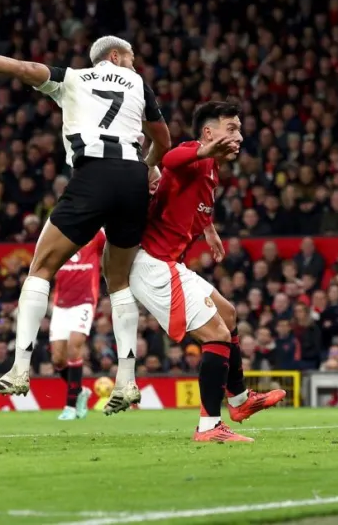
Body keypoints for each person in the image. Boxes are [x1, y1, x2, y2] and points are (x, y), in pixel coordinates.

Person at [0, 37, 171, 414]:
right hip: (131, 179)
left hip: (93, 175)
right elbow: (163, 139)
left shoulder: (72, 78)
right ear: (116, 56)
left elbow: (22, 67)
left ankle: (20, 369)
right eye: (132, 59)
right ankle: (127, 382)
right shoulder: (139, 84)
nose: (134, 66)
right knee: (120, 283)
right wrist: (148, 168)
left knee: (40, 268)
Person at [129, 101, 284, 443]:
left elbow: (194, 204)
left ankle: (240, 401)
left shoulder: (211, 169)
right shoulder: (193, 154)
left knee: (228, 315)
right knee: (215, 335)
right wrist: (203, 149)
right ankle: (209, 427)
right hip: (152, 263)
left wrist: (209, 229)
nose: (239, 136)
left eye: (240, 129)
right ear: (209, 133)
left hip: (170, 262)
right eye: (232, 129)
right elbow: (167, 159)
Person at [49, 229, 106, 421]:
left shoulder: (97, 233)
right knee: (58, 358)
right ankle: (80, 391)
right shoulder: (56, 232)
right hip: (61, 304)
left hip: (84, 301)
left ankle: (70, 406)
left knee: (74, 347)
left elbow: (115, 249)